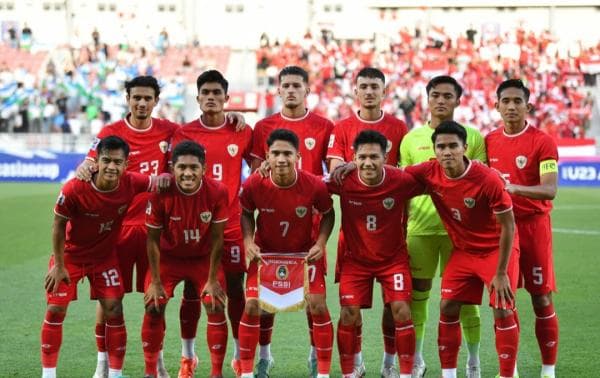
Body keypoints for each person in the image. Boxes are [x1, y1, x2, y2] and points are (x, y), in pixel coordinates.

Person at [76, 75, 245, 378]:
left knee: (155, 301)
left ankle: (160, 365)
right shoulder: (109, 133)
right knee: (108, 297)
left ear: (155, 101)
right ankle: (102, 364)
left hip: (159, 230)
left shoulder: (171, 131)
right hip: (119, 226)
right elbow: (90, 164)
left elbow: (201, 139)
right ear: (127, 99)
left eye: (147, 98)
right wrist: (85, 165)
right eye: (136, 97)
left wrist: (230, 116)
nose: (141, 103)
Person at [405, 121, 520, 378]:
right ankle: (449, 374)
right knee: (447, 306)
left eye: (453, 146)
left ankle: (507, 374)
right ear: (434, 150)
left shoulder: (487, 179)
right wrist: (353, 167)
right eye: (441, 147)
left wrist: (501, 273)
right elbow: (394, 175)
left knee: (502, 307)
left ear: (465, 147)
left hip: (496, 250)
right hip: (465, 251)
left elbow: (509, 227)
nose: (447, 152)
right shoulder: (429, 171)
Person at [41, 136, 154, 378]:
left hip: (104, 258)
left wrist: (184, 178)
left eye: (117, 162)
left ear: (126, 165)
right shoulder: (74, 188)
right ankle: (48, 374)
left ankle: (114, 374)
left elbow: (160, 182)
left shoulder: (132, 182)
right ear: (97, 162)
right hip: (70, 256)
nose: (112, 167)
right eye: (106, 160)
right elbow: (58, 226)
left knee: (114, 308)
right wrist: (59, 265)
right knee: (55, 309)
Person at [249, 66, 334, 377]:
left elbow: (331, 171)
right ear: (278, 90)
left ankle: (315, 358)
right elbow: (258, 176)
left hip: (309, 226)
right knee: (266, 296)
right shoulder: (262, 126)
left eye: (297, 85)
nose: (291, 90)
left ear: (307, 90)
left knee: (314, 298)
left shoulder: (324, 126)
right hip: (271, 225)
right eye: (286, 85)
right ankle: (264, 356)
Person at [399, 75, 485, 378]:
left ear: (458, 100)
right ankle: (419, 358)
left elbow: (479, 183)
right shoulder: (411, 139)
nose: (441, 100)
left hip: (460, 235)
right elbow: (403, 186)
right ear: (427, 98)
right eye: (435, 95)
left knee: (464, 301)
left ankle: (473, 361)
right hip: (420, 230)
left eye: (447, 96)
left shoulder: (473, 138)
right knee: (417, 296)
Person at [327, 67, 408, 377]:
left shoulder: (398, 127)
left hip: (391, 228)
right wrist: (355, 166)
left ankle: (390, 364)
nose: (370, 91)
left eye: (376, 86)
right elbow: (335, 169)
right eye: (364, 86)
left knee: (394, 305)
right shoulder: (343, 127)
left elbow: (405, 172)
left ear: (384, 92)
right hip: (354, 234)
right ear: (355, 91)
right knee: (351, 308)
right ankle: (355, 363)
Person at [170, 70, 253, 376]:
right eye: (205, 93)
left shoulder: (242, 131)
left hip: (230, 224)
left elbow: (256, 170)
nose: (211, 98)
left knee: (234, 287)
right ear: (198, 98)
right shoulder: (184, 134)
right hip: (194, 225)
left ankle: (237, 353)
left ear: (226, 98)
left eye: (217, 93)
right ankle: (188, 356)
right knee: (192, 291)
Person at [327, 130, 424, 378]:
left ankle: (402, 372)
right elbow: (308, 184)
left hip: (393, 259)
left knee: (401, 309)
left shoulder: (401, 180)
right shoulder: (342, 180)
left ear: (386, 157)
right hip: (356, 259)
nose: (368, 163)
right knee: (348, 312)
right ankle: (350, 372)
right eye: (362, 157)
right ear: (353, 157)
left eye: (374, 157)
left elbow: (435, 179)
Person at [486, 79, 559, 378]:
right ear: (497, 106)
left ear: (528, 106)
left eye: (518, 101)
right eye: (506, 101)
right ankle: (510, 369)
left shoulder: (542, 142)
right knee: (504, 299)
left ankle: (548, 369)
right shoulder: (488, 141)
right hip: (502, 230)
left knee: (541, 297)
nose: (512, 106)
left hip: (534, 227)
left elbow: (550, 190)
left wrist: (511, 188)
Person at [142, 141, 229, 378]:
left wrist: (212, 280)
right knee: (154, 305)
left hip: (202, 258)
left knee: (215, 302)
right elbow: (152, 240)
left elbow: (218, 239)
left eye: (194, 167)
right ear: (172, 168)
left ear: (204, 168)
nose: (188, 173)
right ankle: (151, 372)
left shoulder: (218, 191)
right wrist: (156, 282)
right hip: (169, 258)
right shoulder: (160, 193)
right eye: (181, 167)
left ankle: (216, 372)